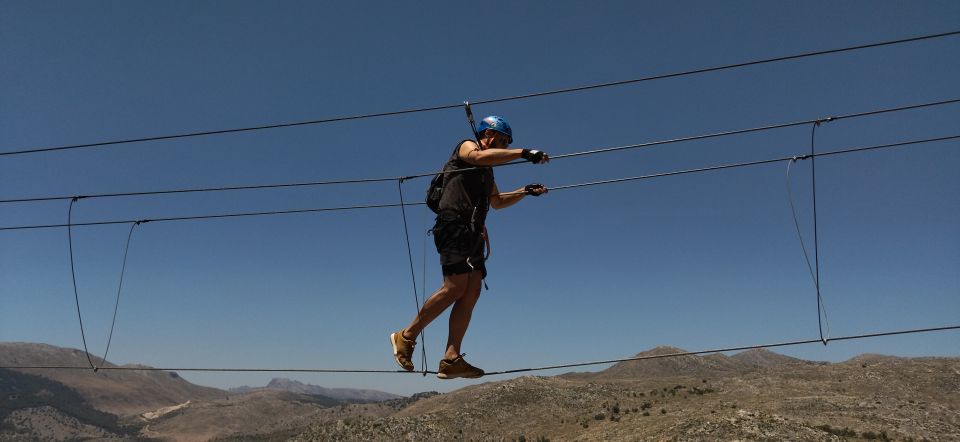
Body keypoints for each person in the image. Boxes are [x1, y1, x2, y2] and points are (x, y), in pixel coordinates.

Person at [391, 115, 549, 379]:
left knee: (472, 288)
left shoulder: (488, 172)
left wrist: (524, 191)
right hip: (452, 226)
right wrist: (523, 153)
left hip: (473, 234)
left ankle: (451, 358)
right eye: (498, 139)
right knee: (454, 287)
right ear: (485, 133)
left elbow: (496, 202)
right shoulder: (466, 146)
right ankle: (405, 337)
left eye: (504, 142)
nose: (499, 145)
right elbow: (476, 158)